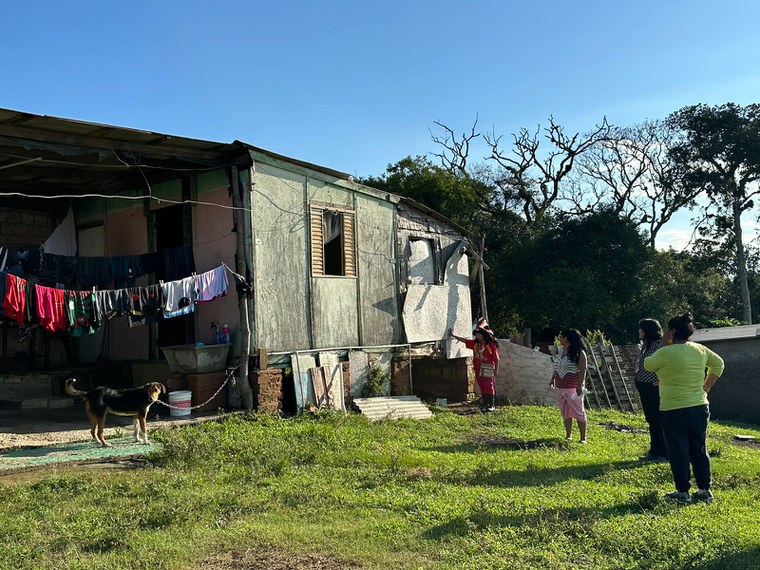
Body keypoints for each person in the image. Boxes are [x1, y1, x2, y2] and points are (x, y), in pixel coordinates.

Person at [643, 312, 724, 504]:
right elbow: (719, 364)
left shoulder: (664, 352)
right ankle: (704, 490)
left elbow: (647, 365)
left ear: (671, 331)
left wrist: (663, 342)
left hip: (672, 408)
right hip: (699, 406)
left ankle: (683, 491)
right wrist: (707, 385)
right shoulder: (700, 350)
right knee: (699, 448)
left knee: (678, 450)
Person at [635, 318, 668, 462]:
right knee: (651, 420)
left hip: (654, 387)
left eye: (641, 329)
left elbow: (667, 363)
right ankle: (653, 450)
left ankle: (663, 453)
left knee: (658, 420)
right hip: (644, 386)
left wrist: (662, 379)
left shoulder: (660, 345)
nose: (639, 331)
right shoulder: (646, 345)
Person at [549, 329, 588, 443]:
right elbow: (558, 367)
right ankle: (568, 435)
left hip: (573, 389)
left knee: (578, 412)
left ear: (567, 338)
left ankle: (583, 438)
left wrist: (579, 385)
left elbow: (582, 370)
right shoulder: (562, 351)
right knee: (565, 412)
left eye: (561, 336)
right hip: (560, 388)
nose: (559, 338)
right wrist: (552, 380)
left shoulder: (579, 353)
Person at [450, 325, 500, 412]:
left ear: (484, 335)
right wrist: (454, 336)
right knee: (482, 386)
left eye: (479, 335)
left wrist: (496, 370)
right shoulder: (476, 344)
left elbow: (496, 358)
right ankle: (485, 404)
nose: (477, 336)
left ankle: (491, 405)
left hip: (487, 367)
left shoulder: (491, 345)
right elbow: (466, 341)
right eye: (476, 335)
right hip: (477, 368)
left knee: (488, 385)